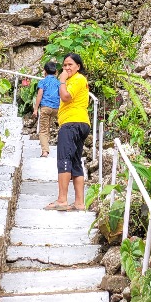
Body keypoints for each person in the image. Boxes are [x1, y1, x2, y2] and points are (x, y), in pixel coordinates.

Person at [45, 53, 91, 211]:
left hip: (72, 123)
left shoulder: (78, 79)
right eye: (64, 65)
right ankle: (79, 203)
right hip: (79, 123)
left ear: (78, 66)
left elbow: (65, 97)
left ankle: (62, 200)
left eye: (70, 64)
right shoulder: (75, 80)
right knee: (76, 161)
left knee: (64, 159)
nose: (66, 68)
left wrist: (62, 80)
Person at [32, 61, 60, 158]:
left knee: (43, 130)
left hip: (45, 108)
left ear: (45, 71)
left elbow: (39, 95)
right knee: (49, 127)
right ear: (56, 71)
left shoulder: (43, 82)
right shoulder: (58, 83)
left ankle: (45, 151)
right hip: (56, 108)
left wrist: (35, 109)